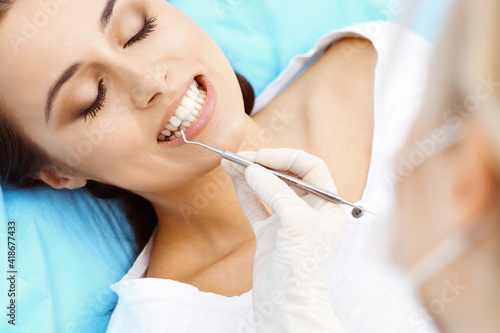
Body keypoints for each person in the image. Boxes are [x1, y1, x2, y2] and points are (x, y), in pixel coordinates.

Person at [0, 0, 437, 331]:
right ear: (61, 173)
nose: (150, 82)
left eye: (138, 30)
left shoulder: (379, 60)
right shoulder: (163, 322)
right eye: (91, 100)